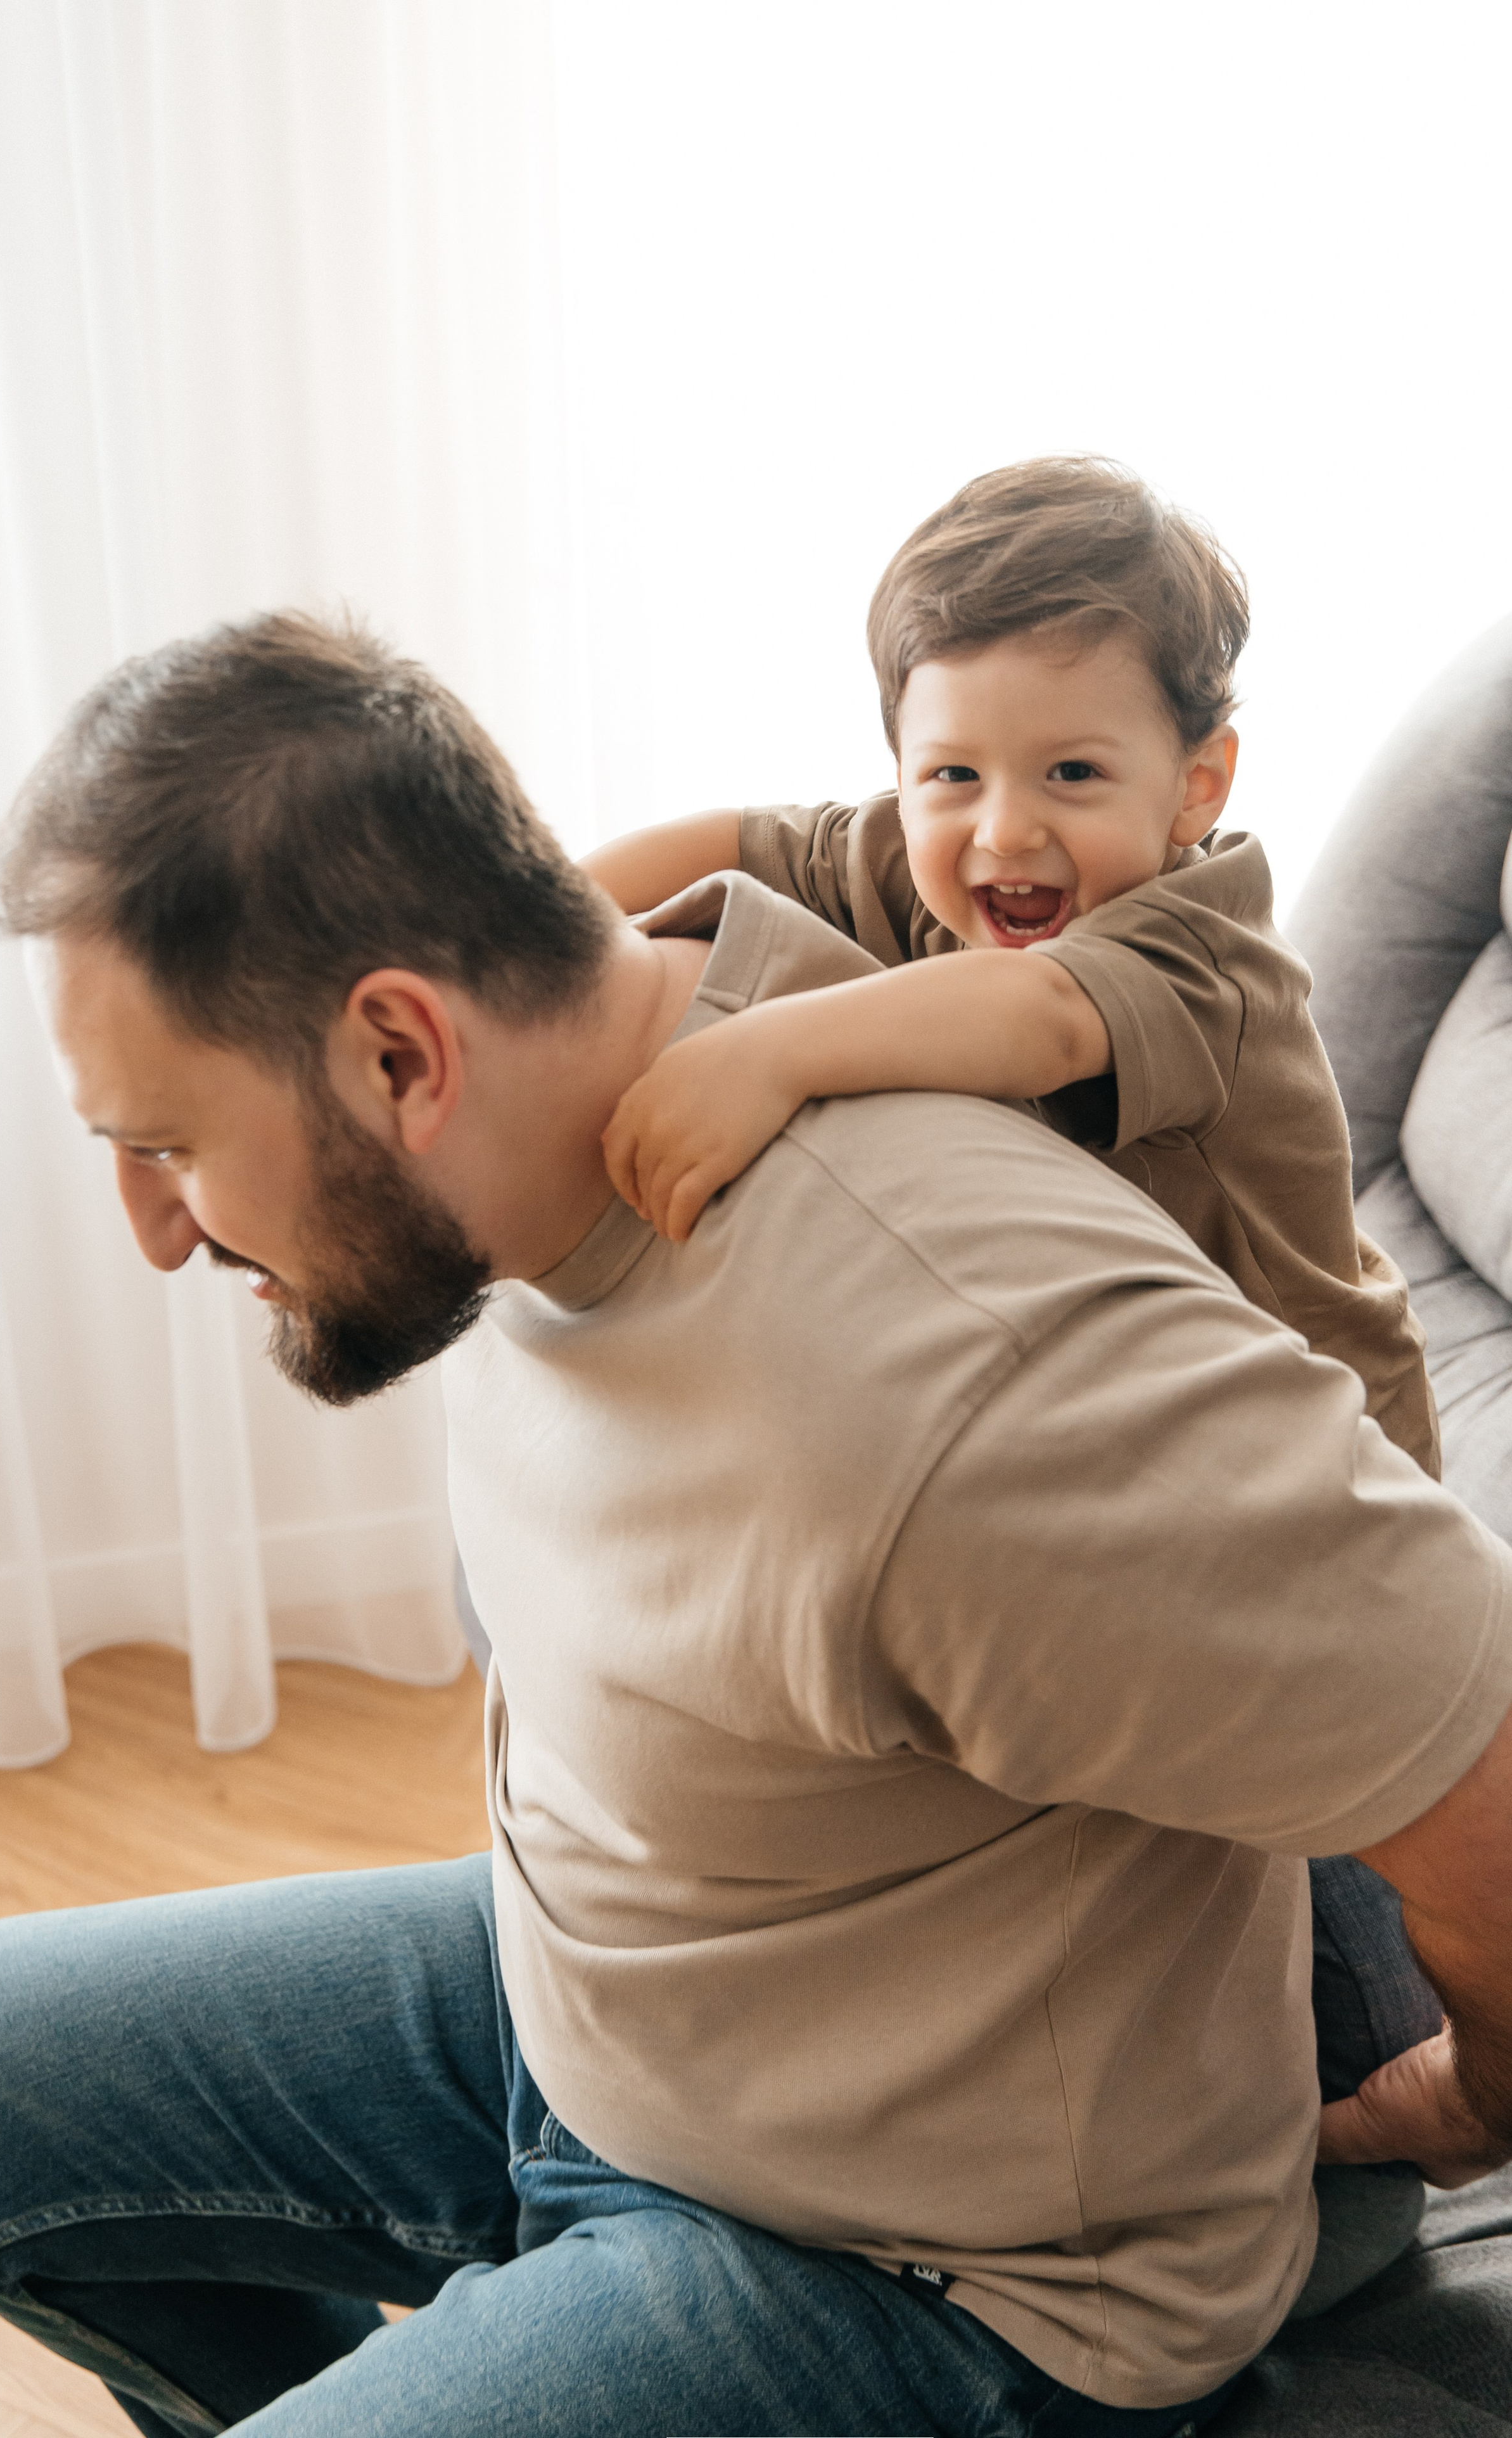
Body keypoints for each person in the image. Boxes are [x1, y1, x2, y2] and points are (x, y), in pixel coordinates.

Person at [0, 611, 1512, 2438]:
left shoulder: (964, 1366)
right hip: (626, 2008)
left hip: (943, 2279)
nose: (157, 1229)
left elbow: (1491, 1764)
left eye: (169, 1143)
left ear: (399, 1059)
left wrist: (1465, 2104)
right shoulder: (551, 1081)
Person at [584, 457, 1445, 2226]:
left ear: (1201, 783)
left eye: (1074, 776)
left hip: (1327, 1502)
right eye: (951, 775)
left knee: (1341, 1872)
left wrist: (769, 1053)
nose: (1002, 838)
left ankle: (1377, 2188)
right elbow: (740, 844)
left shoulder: (1204, 949)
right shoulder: (932, 866)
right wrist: (543, 946)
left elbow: (1037, 1017)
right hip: (1124, 1490)